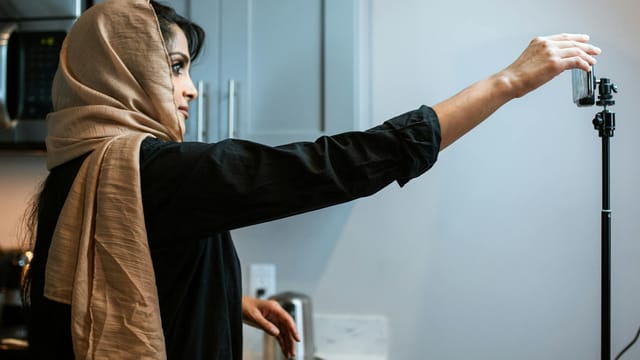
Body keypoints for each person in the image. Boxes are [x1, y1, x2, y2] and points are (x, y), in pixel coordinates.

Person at [22, 0, 601, 359]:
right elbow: (337, 165)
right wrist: (507, 83)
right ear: (119, 73)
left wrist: (226, 299)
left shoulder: (78, 170)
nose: (191, 89)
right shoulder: (150, 172)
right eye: (174, 68)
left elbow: (128, 277)